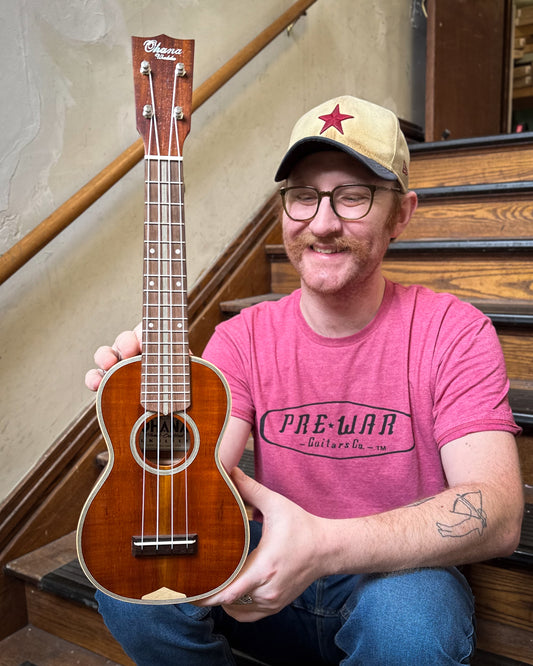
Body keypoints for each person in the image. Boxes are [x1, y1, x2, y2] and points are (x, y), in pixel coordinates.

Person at [85, 96, 524, 665]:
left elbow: (498, 513)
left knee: (411, 622)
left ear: (401, 214)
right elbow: (197, 483)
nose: (322, 223)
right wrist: (149, 413)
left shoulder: (453, 331)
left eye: (353, 196)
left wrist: (323, 545)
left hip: (387, 579)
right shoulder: (241, 337)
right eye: (303, 195)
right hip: (263, 576)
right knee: (131, 584)